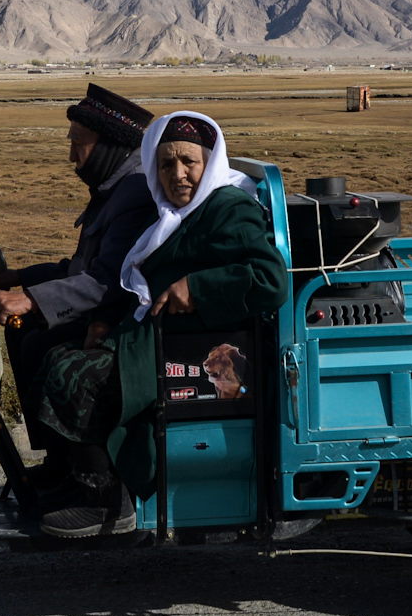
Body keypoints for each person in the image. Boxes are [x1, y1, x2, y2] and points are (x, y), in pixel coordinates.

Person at [33, 110, 288, 538]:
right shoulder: (170, 212)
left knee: (72, 374)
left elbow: (270, 280)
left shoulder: (228, 208)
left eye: (189, 161)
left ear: (209, 163)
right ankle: (78, 479)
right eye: (166, 164)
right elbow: (141, 278)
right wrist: (102, 320)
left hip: (189, 348)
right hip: (158, 336)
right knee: (57, 351)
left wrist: (198, 287)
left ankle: (108, 500)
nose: (178, 173)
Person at [0, 83, 158, 497]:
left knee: (46, 348)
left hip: (124, 324)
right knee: (26, 334)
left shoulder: (133, 195)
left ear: (110, 143)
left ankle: (96, 483)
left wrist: (30, 298)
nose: (71, 156)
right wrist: (21, 276)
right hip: (106, 312)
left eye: (79, 144)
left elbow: (109, 280)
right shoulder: (113, 188)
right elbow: (80, 267)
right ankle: (62, 463)